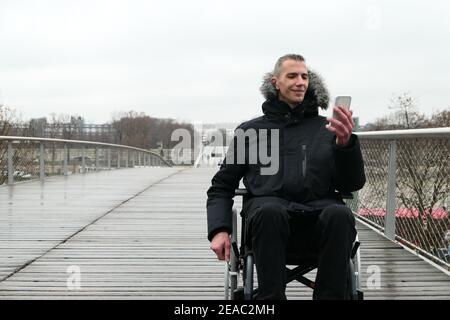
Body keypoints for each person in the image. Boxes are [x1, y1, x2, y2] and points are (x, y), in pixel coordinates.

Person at [206, 54, 366, 300]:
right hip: (268, 224)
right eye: (292, 76)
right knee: (269, 210)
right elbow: (221, 187)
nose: (300, 81)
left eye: (304, 76)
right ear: (275, 83)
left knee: (340, 213)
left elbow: (351, 184)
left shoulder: (327, 130)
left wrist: (346, 146)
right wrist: (219, 229)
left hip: (318, 222)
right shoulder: (251, 131)